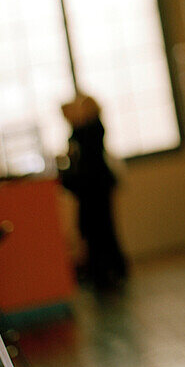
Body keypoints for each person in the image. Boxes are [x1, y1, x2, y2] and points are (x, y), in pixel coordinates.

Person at [59, 93, 128, 291]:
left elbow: (85, 156)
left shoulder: (93, 128)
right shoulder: (83, 130)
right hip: (90, 188)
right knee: (94, 230)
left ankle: (111, 269)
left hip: (96, 187)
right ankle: (102, 270)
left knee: (103, 229)